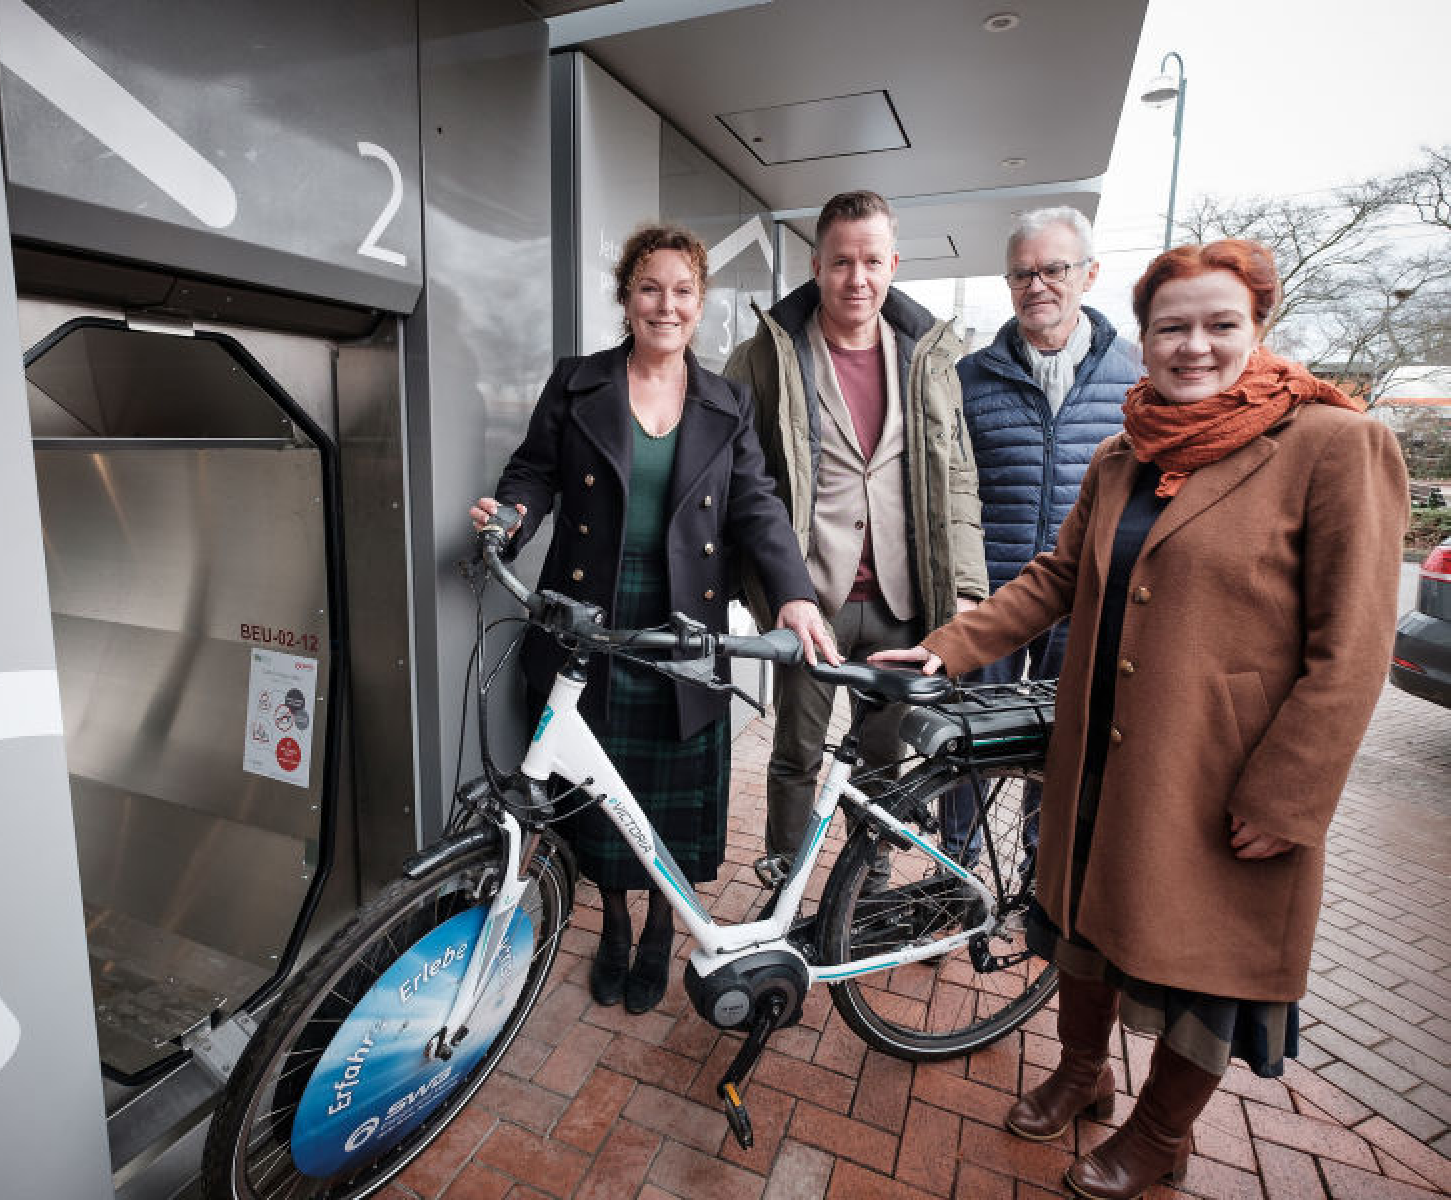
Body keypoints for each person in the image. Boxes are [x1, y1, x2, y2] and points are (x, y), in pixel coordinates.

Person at [873, 239, 1408, 1200]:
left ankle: (1162, 1134)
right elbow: (1058, 576)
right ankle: (1084, 1074)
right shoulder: (1128, 449)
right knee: (1082, 920)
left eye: (1218, 326)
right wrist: (948, 646)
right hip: (1100, 747)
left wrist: (1289, 795)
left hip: (1225, 771)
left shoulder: (1335, 446)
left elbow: (1354, 647)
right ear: (1146, 336)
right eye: (1173, 327)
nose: (1192, 346)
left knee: (1206, 958)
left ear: (1259, 329)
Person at [471, 224, 836, 1016]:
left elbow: (759, 507)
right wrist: (512, 516)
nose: (664, 305)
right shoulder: (577, 384)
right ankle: (612, 924)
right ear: (626, 298)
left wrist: (795, 592)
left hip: (683, 634)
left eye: (681, 291)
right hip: (590, 625)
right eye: (649, 288)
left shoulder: (726, 402)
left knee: (667, 803)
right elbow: (534, 471)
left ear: (700, 304)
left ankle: (666, 931)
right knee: (603, 798)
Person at [723, 190, 986, 868]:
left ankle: (864, 888)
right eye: (842, 262)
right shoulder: (769, 356)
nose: (857, 278)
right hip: (812, 598)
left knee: (881, 758)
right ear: (816, 265)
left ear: (893, 262)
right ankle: (782, 882)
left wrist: (964, 591)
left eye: (872, 260)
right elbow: (734, 478)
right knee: (797, 754)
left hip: (902, 600)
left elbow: (957, 478)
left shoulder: (928, 359)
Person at [940, 207, 1140, 868]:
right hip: (996, 599)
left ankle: (1040, 870)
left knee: (1062, 745)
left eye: (1053, 269)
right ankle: (956, 872)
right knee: (972, 742)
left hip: (1085, 598)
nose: (1037, 286)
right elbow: (946, 490)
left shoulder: (1137, 381)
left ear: (1088, 274)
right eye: (1022, 273)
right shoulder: (970, 379)